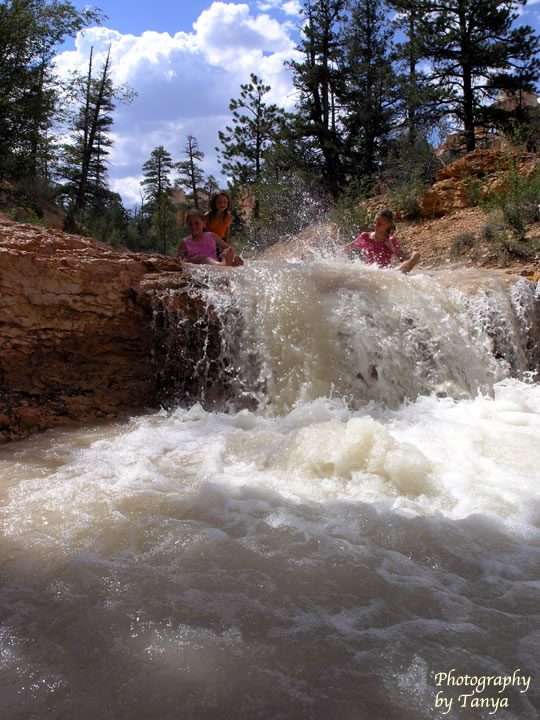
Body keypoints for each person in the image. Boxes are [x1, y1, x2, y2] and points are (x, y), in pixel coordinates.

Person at [344, 209, 420, 274]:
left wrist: (393, 248)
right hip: (369, 271)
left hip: (386, 273)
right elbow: (347, 248)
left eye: (379, 224)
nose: (375, 226)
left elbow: (404, 261)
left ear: (388, 225)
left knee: (416, 255)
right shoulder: (365, 237)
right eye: (375, 223)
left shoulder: (391, 240)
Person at [204, 192, 244, 266]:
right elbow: (201, 229)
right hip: (209, 242)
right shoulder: (208, 216)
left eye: (224, 202)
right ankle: (224, 263)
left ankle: (231, 263)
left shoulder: (228, 216)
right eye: (219, 202)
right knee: (213, 258)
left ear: (228, 203)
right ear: (214, 203)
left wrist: (227, 243)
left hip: (221, 240)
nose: (222, 204)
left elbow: (227, 229)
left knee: (226, 254)